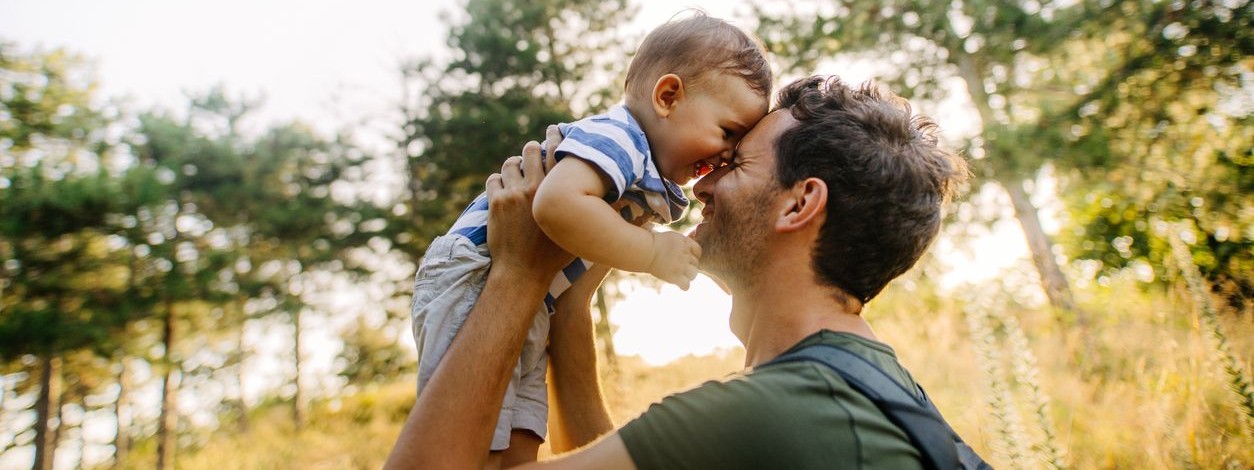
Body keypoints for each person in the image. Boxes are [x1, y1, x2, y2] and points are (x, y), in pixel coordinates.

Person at [386, 75, 971, 469]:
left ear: (799, 204)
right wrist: (567, 302)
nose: (703, 182)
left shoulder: (764, 413)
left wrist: (516, 272)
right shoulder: (878, 389)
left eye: (735, 162)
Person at [409, 11, 773, 465]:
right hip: (474, 272)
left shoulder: (645, 171)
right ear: (668, 96)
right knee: (472, 437)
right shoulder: (618, 138)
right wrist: (651, 252)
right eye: (728, 132)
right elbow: (555, 204)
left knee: (522, 436)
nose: (725, 156)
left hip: (532, 296)